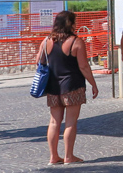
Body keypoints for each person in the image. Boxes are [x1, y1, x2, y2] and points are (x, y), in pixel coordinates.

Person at [37, 10, 98, 164]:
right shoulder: (76, 42)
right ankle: (69, 156)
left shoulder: (46, 41)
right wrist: (93, 84)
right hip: (72, 86)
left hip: (53, 86)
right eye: (74, 22)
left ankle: (53, 157)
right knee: (71, 122)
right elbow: (83, 66)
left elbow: (39, 61)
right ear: (70, 24)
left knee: (54, 122)